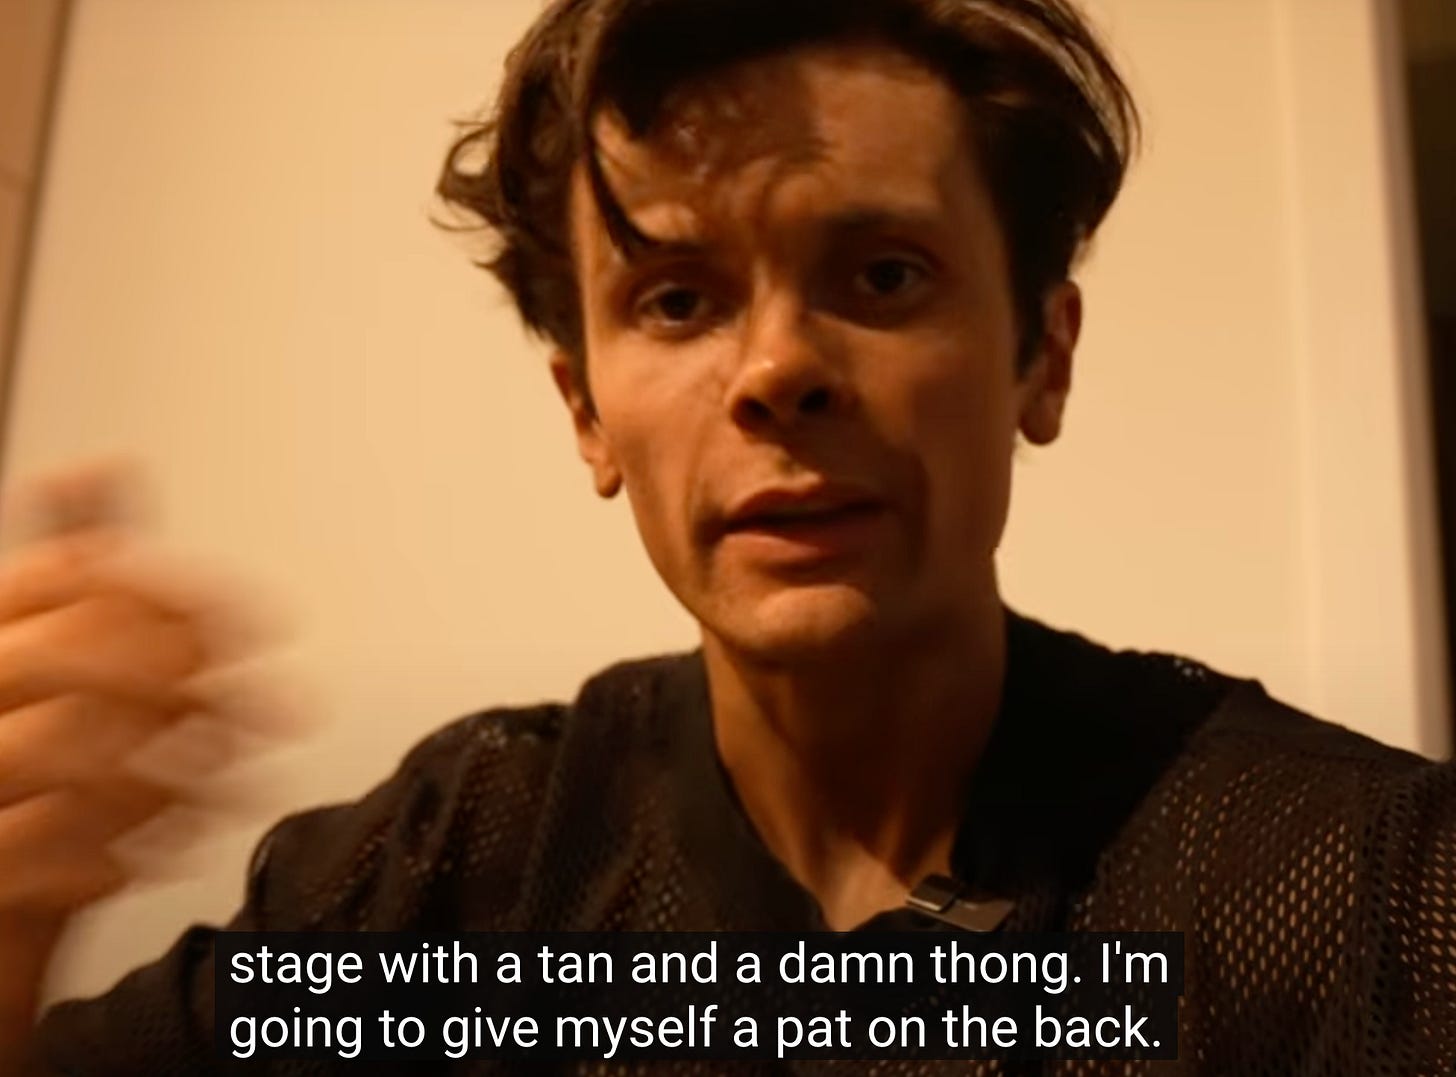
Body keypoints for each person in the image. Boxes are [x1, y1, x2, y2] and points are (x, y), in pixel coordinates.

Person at [3, 0, 1455, 1071]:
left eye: (883, 276)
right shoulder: (452, 867)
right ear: (586, 410)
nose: (776, 370)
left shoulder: (1365, 890)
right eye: (679, 300)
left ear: (1042, 357)